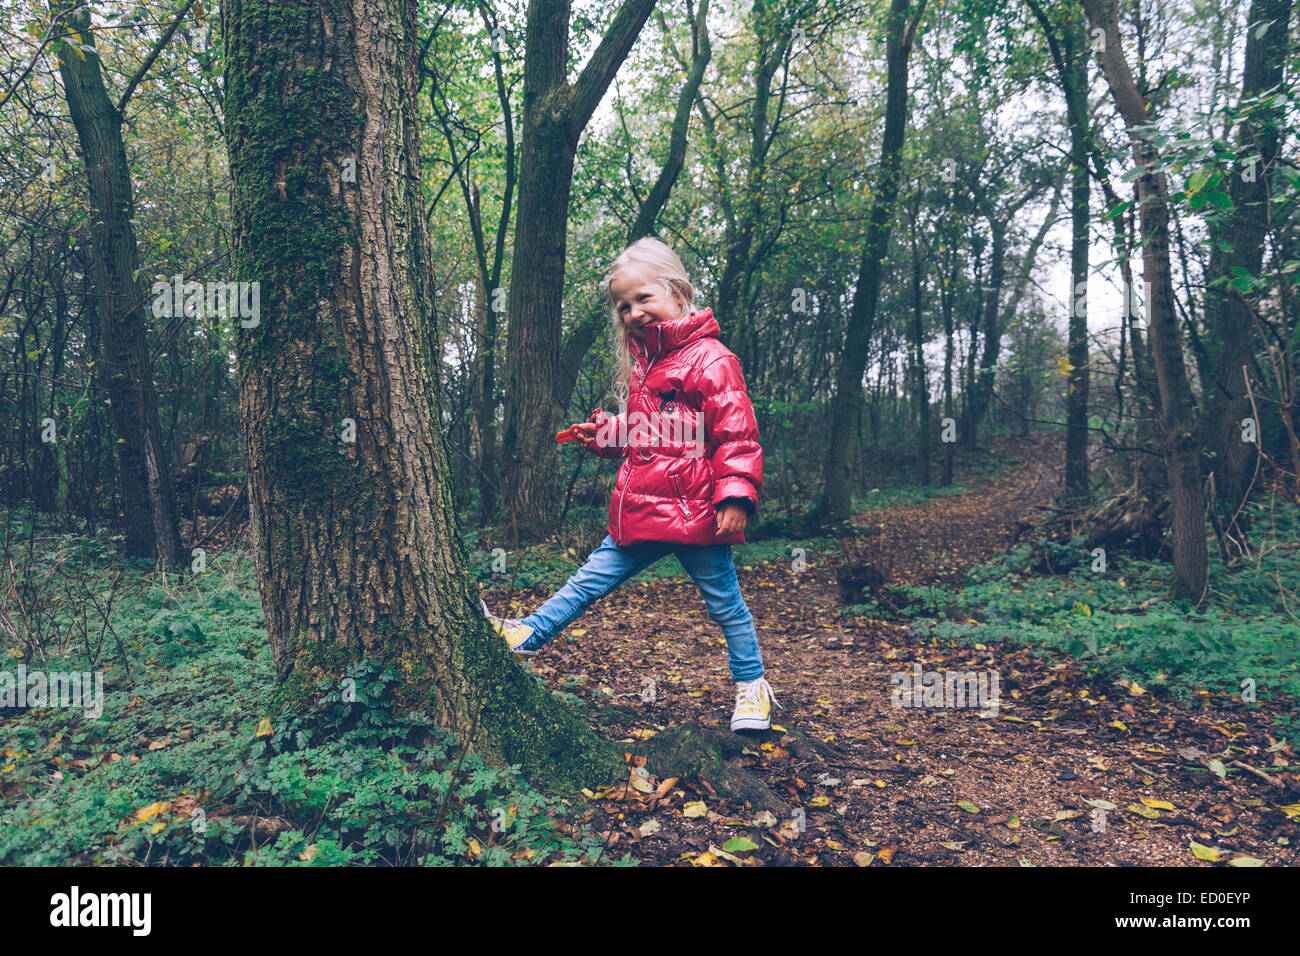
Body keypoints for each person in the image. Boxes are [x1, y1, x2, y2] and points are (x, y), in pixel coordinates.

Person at [481, 237, 780, 731]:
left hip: (697, 513)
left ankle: (752, 689)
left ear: (679, 292)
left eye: (644, 298)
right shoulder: (647, 365)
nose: (634, 313)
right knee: (588, 580)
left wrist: (736, 495)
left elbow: (736, 433)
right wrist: (605, 434)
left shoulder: (711, 358)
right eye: (624, 306)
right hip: (643, 508)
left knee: (725, 601)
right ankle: (530, 633)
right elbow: (656, 433)